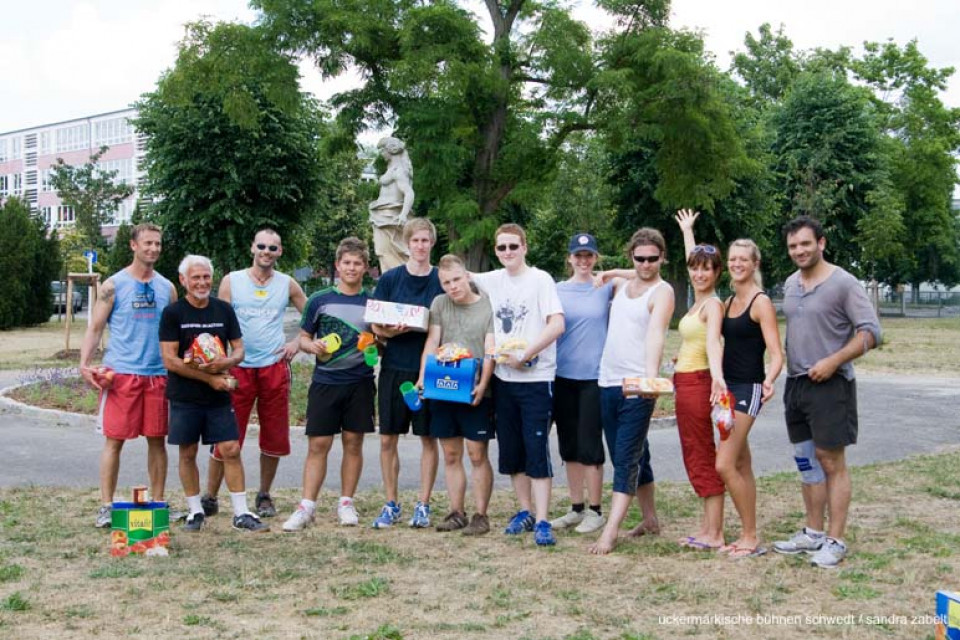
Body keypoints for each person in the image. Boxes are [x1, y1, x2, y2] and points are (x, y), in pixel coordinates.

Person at [773, 216, 880, 568]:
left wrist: (833, 361)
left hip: (831, 386)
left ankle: (835, 540)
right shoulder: (790, 283)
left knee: (831, 461)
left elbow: (870, 333)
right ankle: (813, 533)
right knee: (806, 463)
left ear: (821, 243)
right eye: (793, 246)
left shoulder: (844, 284)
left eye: (805, 243)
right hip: (797, 384)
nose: (799, 251)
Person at [676, 209, 783, 559]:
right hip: (726, 390)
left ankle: (750, 537)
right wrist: (688, 232)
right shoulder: (728, 301)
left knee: (723, 464)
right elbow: (699, 271)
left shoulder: (759, 301)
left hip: (747, 388)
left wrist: (768, 381)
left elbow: (777, 354)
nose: (737, 263)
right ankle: (746, 531)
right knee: (740, 465)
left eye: (742, 259)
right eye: (733, 258)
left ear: (754, 264)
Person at [200, 229, 307, 519]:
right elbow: (218, 323)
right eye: (261, 246)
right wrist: (218, 364)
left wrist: (297, 342)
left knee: (274, 436)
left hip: (273, 368)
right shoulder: (232, 281)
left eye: (273, 247)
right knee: (226, 434)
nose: (266, 251)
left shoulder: (287, 283)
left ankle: (264, 495)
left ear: (280, 252)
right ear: (252, 248)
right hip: (238, 369)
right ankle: (209, 496)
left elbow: (313, 314)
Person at [159, 255, 268, 533]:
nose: (202, 282)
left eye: (206, 277)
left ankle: (241, 512)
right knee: (188, 452)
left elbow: (240, 349)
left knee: (230, 449)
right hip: (186, 395)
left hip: (219, 396)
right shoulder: (173, 313)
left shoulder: (223, 310)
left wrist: (227, 363)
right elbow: (170, 360)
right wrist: (209, 379)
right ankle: (196, 511)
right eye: (195, 277)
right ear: (183, 280)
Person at [471, 223, 565, 546]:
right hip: (503, 379)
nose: (507, 253)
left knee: (536, 448)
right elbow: (453, 274)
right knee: (512, 449)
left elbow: (557, 324)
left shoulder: (541, 280)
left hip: (536, 380)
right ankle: (524, 511)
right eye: (501, 248)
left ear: (525, 246)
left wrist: (527, 353)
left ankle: (542, 519)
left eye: (513, 246)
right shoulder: (492, 280)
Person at [80, 223, 177, 528]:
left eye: (158, 244)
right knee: (114, 442)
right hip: (121, 374)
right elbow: (95, 328)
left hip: (157, 375)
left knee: (157, 441)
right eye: (148, 243)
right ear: (134, 246)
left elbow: (173, 333)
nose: (154, 249)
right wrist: (85, 364)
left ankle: (158, 503)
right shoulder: (113, 285)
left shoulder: (167, 287)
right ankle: (106, 506)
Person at [588, 229, 674, 555]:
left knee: (625, 459)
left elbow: (656, 335)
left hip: (637, 386)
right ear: (632, 258)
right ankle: (650, 519)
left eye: (653, 258)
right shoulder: (623, 286)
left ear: (662, 258)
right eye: (640, 258)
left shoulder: (663, 292)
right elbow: (629, 275)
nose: (647, 264)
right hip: (607, 381)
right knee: (638, 453)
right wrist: (611, 272)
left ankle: (610, 531)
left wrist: (650, 381)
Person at [282, 237, 376, 532]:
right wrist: (313, 347)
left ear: (365, 268)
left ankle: (346, 503)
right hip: (325, 382)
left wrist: (375, 347)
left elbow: (380, 344)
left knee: (353, 442)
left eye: (357, 263)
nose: (351, 268)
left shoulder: (373, 303)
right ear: (338, 266)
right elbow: (304, 338)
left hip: (360, 382)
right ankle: (306, 506)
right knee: (318, 444)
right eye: (346, 263)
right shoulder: (319, 300)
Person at [369, 218, 445, 529]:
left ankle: (423, 505)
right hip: (393, 369)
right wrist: (391, 331)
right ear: (406, 243)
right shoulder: (390, 279)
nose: (420, 246)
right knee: (388, 439)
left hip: (428, 370)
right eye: (415, 241)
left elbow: (445, 324)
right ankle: (391, 503)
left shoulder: (442, 280)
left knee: (428, 438)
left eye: (425, 241)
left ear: (432, 244)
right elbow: (375, 324)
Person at [416, 254, 496, 535]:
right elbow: (432, 341)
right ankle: (456, 512)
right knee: (450, 454)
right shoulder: (439, 304)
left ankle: (480, 515)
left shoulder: (487, 306)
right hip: (442, 388)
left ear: (467, 277)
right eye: (446, 282)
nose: (452, 286)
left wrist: (483, 385)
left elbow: (490, 350)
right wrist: (422, 377)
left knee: (476, 454)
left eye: (456, 279)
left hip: (474, 390)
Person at [549, 233, 613, 535]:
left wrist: (610, 273)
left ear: (596, 258)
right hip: (563, 376)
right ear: (570, 258)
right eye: (579, 256)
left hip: (594, 378)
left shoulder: (606, 287)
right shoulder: (557, 289)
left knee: (590, 445)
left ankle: (596, 510)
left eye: (589, 256)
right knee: (569, 445)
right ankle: (576, 507)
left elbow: (642, 276)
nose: (584, 261)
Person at [670, 221, 727, 552]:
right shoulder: (696, 302)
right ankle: (707, 528)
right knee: (695, 452)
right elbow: (696, 340)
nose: (699, 274)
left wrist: (717, 376)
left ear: (717, 272)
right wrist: (687, 232)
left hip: (699, 382)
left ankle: (715, 533)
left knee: (701, 453)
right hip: (686, 380)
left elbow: (712, 341)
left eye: (706, 269)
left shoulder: (712, 305)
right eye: (695, 268)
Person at [368, 136, 415, 271]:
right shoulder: (392, 169)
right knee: (382, 251)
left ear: (390, 150)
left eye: (383, 150)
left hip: (391, 218)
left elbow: (409, 193)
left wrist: (403, 215)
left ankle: (396, 280)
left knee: (388, 251)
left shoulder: (399, 171)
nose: (382, 154)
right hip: (383, 217)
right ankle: (390, 280)